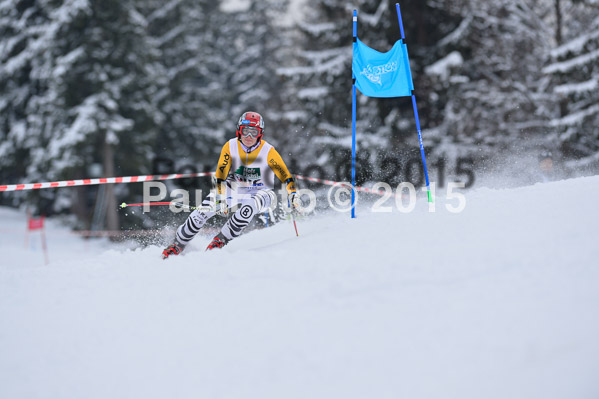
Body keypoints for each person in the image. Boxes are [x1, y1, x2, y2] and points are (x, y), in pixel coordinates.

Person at [162, 111, 301, 258]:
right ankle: (178, 244)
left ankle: (220, 241)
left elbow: (285, 175)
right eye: (245, 131)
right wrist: (221, 197)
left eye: (254, 132)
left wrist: (293, 193)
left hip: (261, 192)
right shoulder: (230, 146)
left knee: (248, 208)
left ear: (260, 134)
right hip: (233, 187)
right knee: (201, 212)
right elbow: (221, 174)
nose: (249, 137)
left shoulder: (268, 151)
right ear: (239, 130)